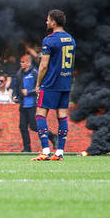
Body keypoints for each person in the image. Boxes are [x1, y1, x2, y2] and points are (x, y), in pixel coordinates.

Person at [32, 9, 76, 161]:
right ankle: (60, 152)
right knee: (62, 116)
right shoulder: (71, 39)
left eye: (48, 19)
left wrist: (38, 84)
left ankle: (45, 150)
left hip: (51, 83)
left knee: (40, 114)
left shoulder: (49, 40)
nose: (46, 22)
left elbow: (44, 66)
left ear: (53, 22)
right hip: (65, 83)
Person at [13, 54, 56, 153]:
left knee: (34, 126)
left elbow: (39, 87)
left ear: (28, 63)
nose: (21, 64)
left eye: (23, 62)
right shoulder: (19, 73)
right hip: (23, 104)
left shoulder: (34, 72)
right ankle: (27, 148)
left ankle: (52, 136)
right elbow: (16, 86)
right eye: (20, 62)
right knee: (22, 126)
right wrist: (15, 95)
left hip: (32, 104)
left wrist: (28, 92)